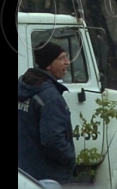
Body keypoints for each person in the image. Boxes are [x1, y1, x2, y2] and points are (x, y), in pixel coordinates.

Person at [18, 41, 76, 184]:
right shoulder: (50, 97)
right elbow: (53, 140)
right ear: (49, 64)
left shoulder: (24, 86)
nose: (67, 62)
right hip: (48, 176)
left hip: (25, 174)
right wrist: (70, 158)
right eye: (62, 58)